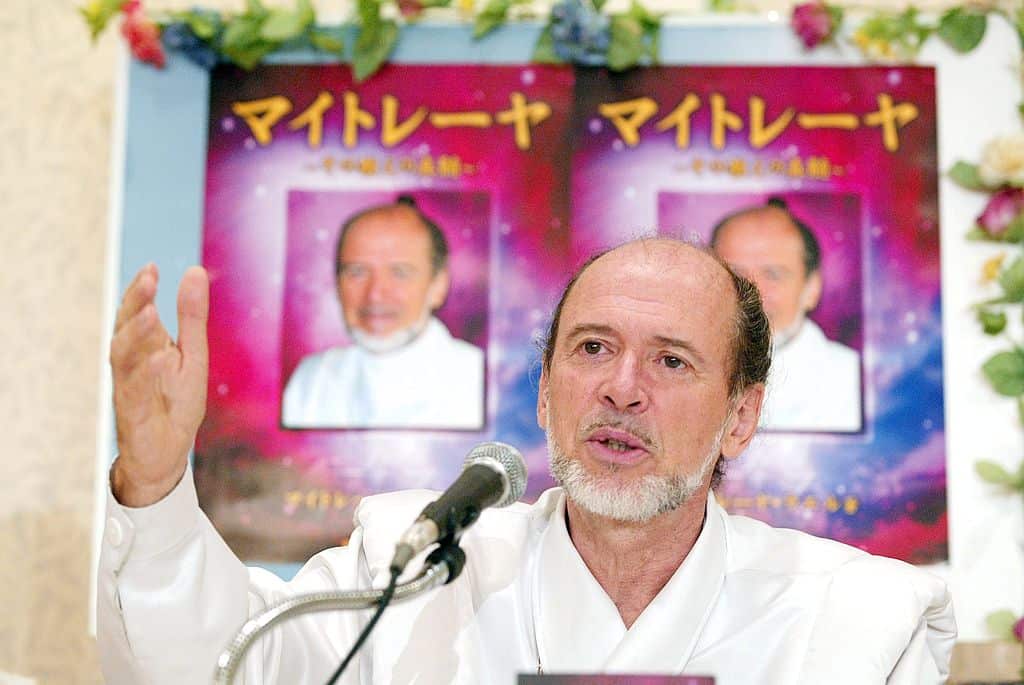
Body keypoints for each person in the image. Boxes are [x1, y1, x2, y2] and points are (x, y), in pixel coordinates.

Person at [99, 239, 954, 685]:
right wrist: (156, 483)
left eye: (671, 360)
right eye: (591, 348)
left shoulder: (858, 619)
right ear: (545, 394)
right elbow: (223, 667)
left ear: (742, 415)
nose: (621, 389)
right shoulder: (415, 561)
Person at [282, 195, 484, 430]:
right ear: (337, 283)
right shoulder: (313, 380)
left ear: (438, 285)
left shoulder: (479, 380)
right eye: (357, 272)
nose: (375, 294)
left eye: (400, 272)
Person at [711, 198, 863, 433]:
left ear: (812, 288)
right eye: (735, 274)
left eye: (773, 274)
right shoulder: (675, 368)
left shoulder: (855, 380)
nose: (753, 291)